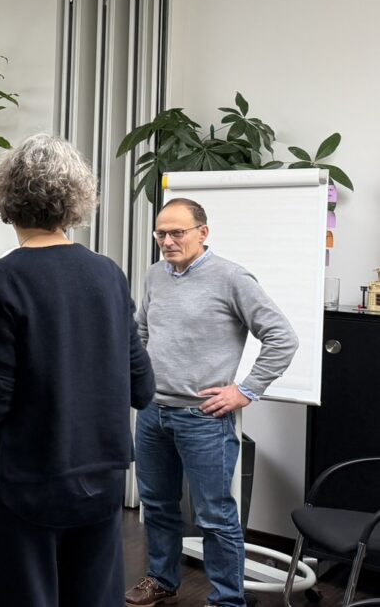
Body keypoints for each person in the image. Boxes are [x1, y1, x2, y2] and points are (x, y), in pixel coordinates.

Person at [0, 134, 156, 606]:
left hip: (27, 483)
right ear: (75, 201)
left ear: (9, 201)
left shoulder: (0, 281)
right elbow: (142, 388)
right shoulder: (109, 274)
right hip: (102, 478)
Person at [125, 197, 298, 607]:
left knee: (215, 516)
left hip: (203, 418)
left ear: (203, 232)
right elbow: (142, 333)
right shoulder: (154, 276)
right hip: (153, 413)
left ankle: (226, 599)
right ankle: (161, 580)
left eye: (176, 232)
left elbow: (282, 338)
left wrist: (245, 390)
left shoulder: (232, 278)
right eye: (160, 233)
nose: (167, 241)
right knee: (158, 506)